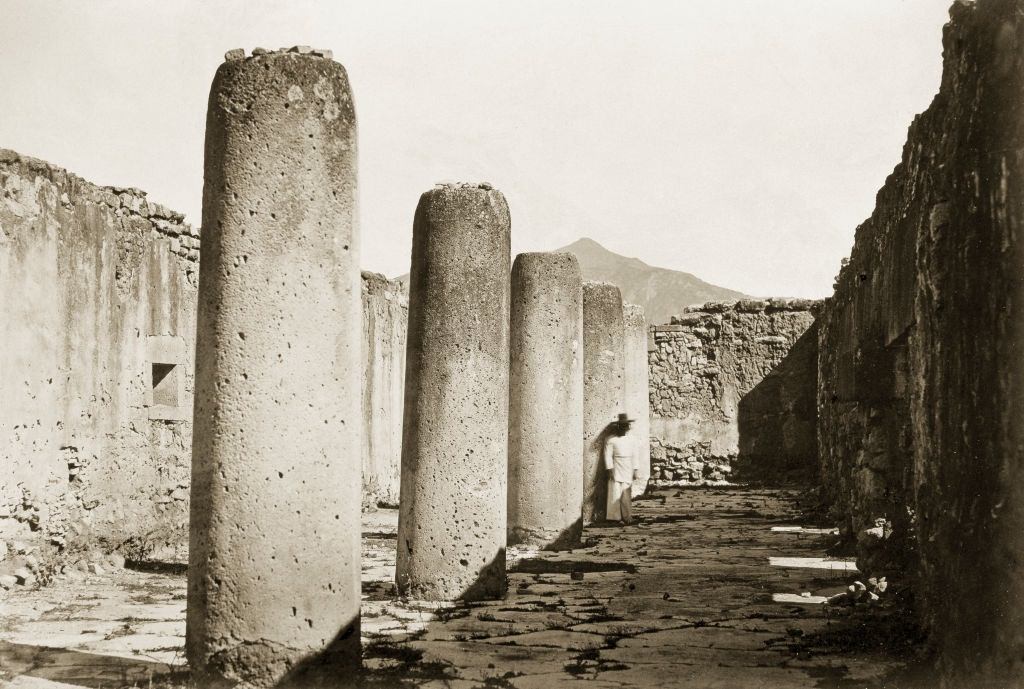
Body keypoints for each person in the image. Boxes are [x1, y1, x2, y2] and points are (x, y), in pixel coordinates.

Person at [604, 412, 639, 525]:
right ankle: (615, 517)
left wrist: (635, 469)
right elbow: (608, 455)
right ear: (618, 426)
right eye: (622, 426)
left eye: (626, 425)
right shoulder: (611, 440)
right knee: (615, 491)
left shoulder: (632, 439)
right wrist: (610, 469)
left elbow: (635, 455)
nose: (624, 428)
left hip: (628, 466)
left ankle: (627, 516)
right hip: (616, 465)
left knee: (626, 492)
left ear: (628, 427)